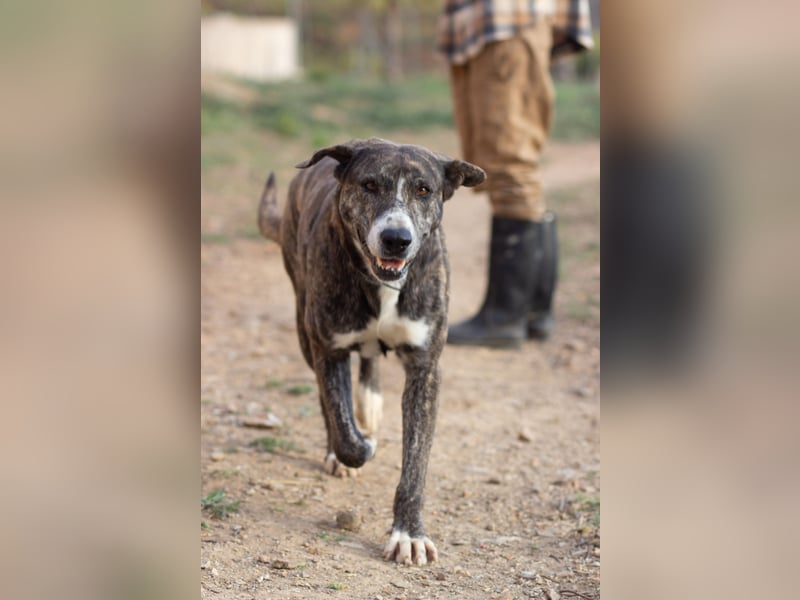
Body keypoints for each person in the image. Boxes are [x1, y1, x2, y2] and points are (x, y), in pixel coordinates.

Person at [438, 0, 594, 348]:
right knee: (508, 162)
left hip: (507, 19)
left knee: (510, 164)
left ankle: (504, 317)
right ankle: (531, 314)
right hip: (492, 24)